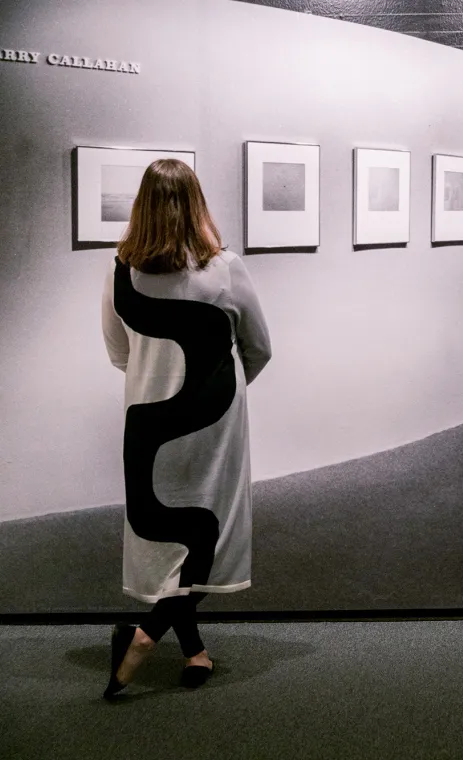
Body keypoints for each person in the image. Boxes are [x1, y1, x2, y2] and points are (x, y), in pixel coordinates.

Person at [100, 158, 272, 698]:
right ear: (196, 204)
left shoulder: (119, 272)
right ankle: (147, 640)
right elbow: (260, 348)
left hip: (148, 423)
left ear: (141, 206)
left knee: (170, 534)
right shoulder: (224, 268)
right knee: (207, 535)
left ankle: (193, 649)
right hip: (215, 420)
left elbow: (118, 354)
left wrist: (158, 378)